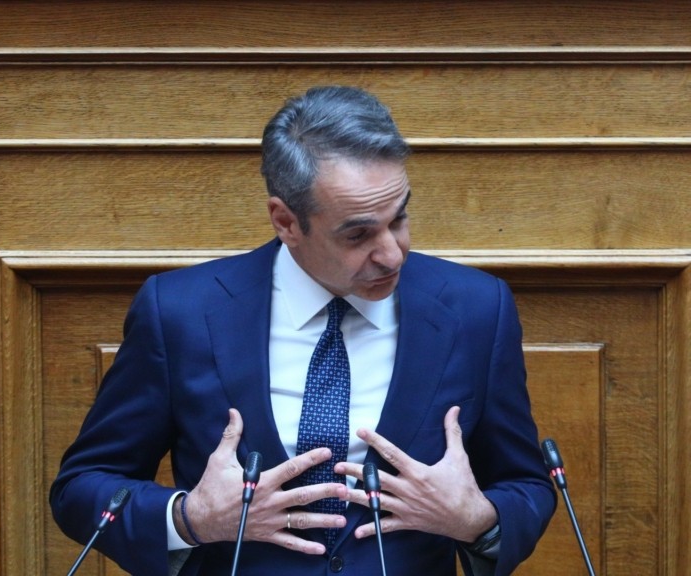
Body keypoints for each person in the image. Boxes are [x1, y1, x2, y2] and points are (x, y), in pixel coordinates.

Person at [49, 85, 556, 575]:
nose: (392, 254)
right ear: (286, 222)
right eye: (358, 234)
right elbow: (83, 486)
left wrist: (477, 520)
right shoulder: (181, 312)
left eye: (399, 219)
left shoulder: (476, 309)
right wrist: (190, 518)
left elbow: (526, 484)